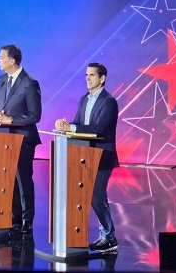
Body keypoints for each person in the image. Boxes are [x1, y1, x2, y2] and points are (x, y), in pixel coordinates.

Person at [55, 62, 119, 253]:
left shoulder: (109, 102)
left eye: (92, 75)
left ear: (102, 78)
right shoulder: (84, 99)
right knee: (100, 198)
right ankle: (107, 237)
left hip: (103, 156)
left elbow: (99, 129)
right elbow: (78, 123)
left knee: (96, 197)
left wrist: (72, 128)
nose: (88, 78)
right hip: (85, 155)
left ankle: (110, 237)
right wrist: (66, 125)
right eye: (86, 75)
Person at [0, 44, 42, 237]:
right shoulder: (1, 80)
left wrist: (10, 120)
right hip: (4, 138)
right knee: (8, 179)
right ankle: (14, 217)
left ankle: (27, 221)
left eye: (1, 57)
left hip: (23, 139)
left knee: (22, 180)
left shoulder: (30, 83)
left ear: (12, 60)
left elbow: (35, 115)